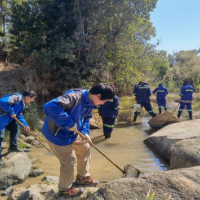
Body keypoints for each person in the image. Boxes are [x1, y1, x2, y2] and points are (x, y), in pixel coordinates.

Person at [42, 83, 115, 197]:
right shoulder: (74, 97)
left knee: (85, 147)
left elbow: (86, 118)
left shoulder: (90, 102)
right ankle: (65, 188)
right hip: (57, 134)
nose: (103, 103)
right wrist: (68, 123)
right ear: (98, 96)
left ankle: (82, 177)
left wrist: (86, 132)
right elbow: (49, 106)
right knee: (69, 160)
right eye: (104, 101)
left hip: (74, 132)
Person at [0, 90, 36, 165]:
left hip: (6, 120)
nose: (31, 101)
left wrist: (25, 125)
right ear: (28, 97)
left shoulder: (22, 103)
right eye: (32, 99)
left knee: (15, 128)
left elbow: (19, 115)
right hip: (1, 119)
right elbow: (2, 101)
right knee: (0, 137)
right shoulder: (17, 98)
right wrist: (11, 112)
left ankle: (13, 147)